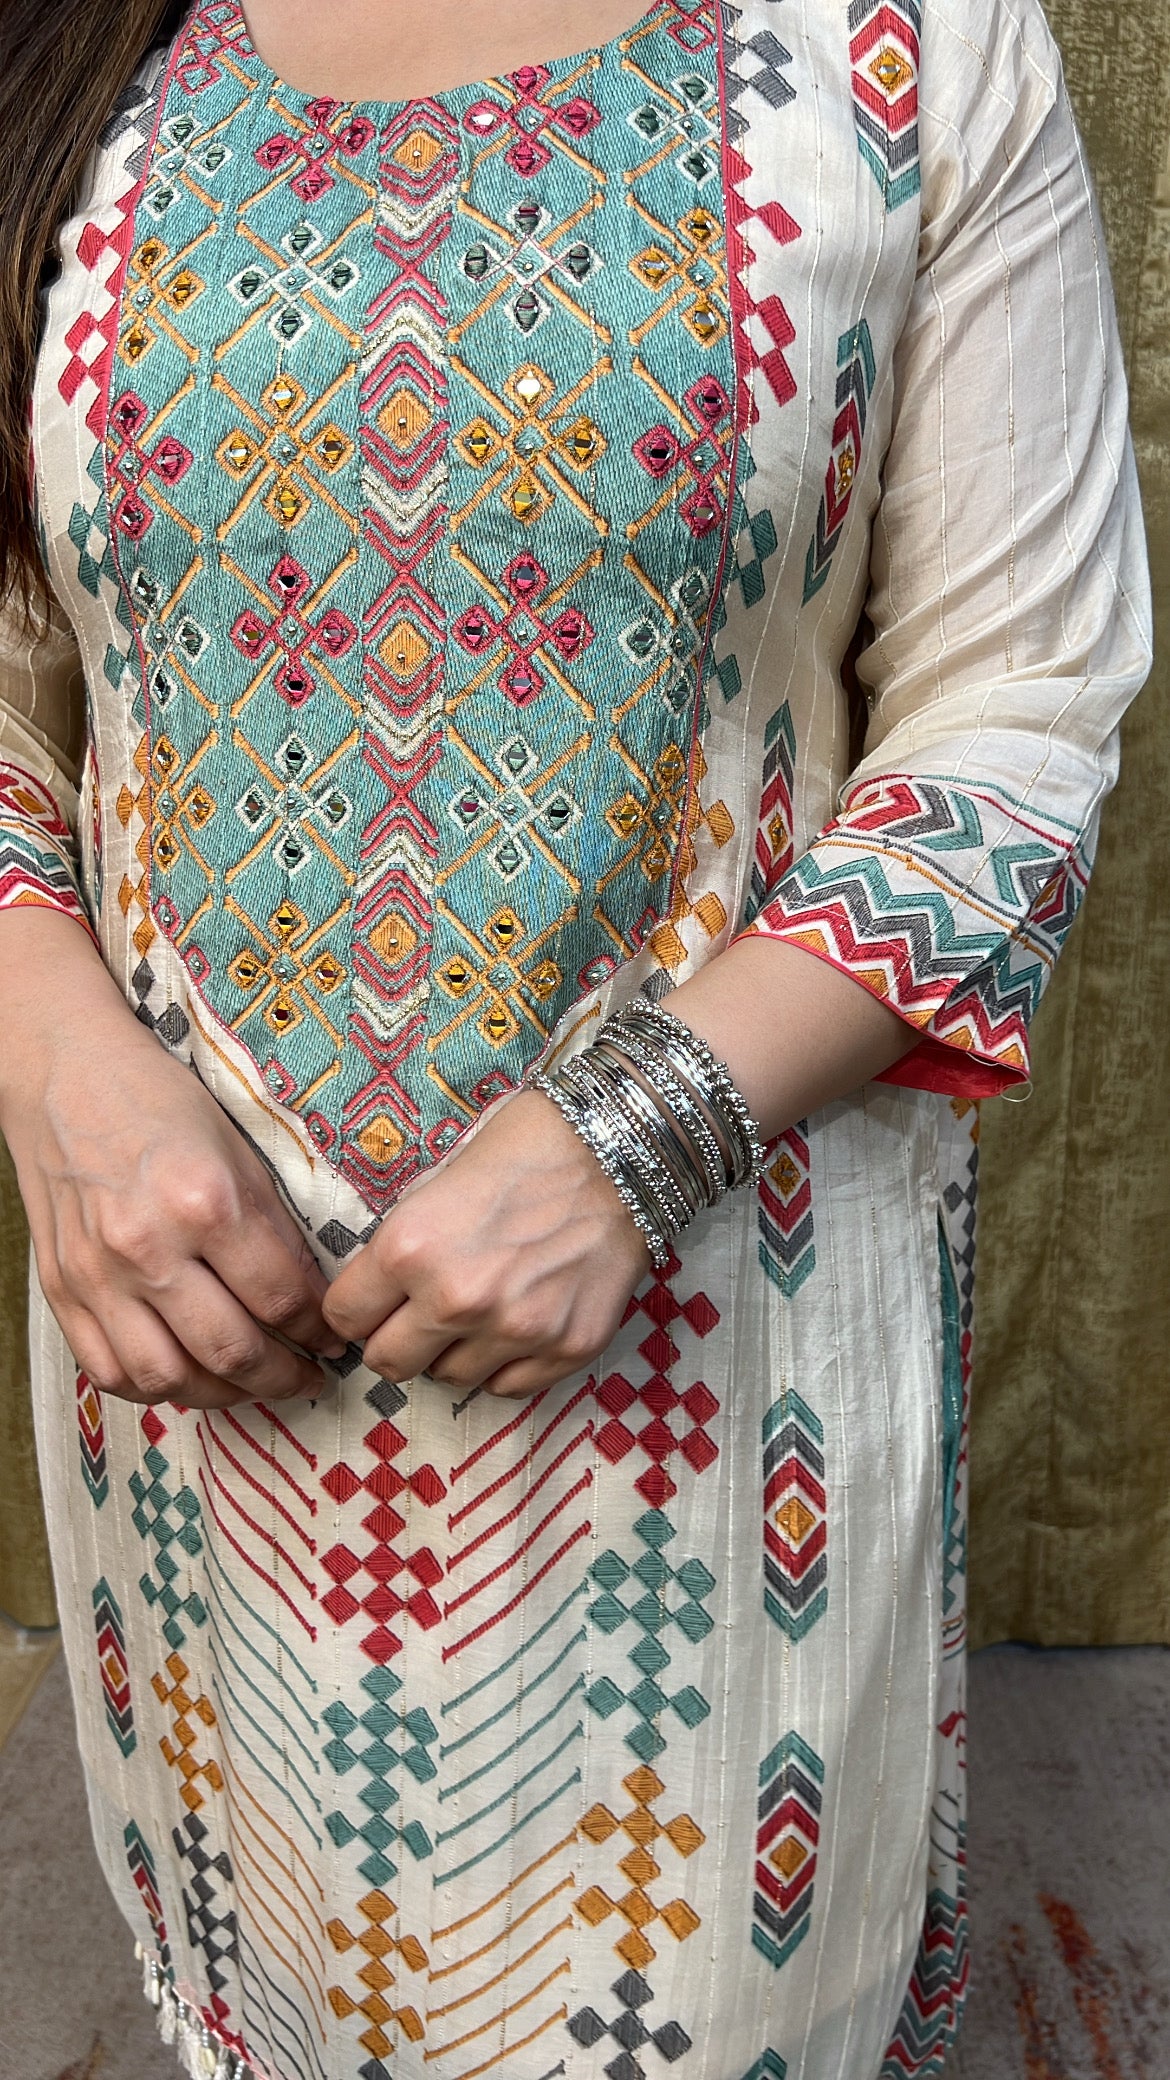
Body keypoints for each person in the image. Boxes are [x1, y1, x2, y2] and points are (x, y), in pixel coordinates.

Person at [0, 0, 1151, 2074]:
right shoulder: (74, 57)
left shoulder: (912, 46)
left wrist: (642, 1131)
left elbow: (1023, 707)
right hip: (191, 1387)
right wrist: (57, 1066)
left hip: (718, 1411)